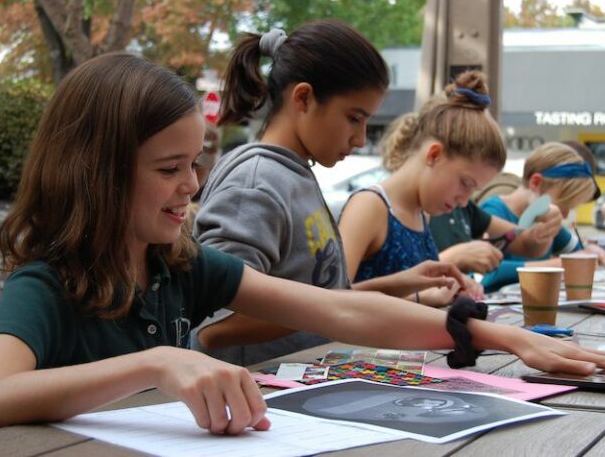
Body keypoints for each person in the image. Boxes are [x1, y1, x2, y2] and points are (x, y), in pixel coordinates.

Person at [0, 53, 605, 436]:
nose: (193, 186)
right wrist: (154, 363)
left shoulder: (177, 263)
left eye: (194, 164)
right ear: (100, 170)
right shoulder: (46, 284)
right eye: (169, 169)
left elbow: (339, 309)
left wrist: (497, 338)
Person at [193, 20, 473, 364]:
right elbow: (215, 327)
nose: (360, 138)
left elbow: (322, 299)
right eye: (354, 118)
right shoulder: (255, 184)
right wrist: (342, 309)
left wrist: (399, 283)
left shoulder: (293, 173)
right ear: (304, 97)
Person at [338, 71, 559, 305]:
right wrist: (419, 297)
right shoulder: (370, 207)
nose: (464, 201)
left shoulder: (423, 212)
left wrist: (451, 284)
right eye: (465, 183)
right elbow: (332, 299)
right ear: (434, 155)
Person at [480, 142, 605, 292]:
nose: (565, 215)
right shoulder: (493, 212)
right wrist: (558, 265)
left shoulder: (546, 221)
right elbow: (488, 272)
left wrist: (590, 250)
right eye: (563, 205)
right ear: (536, 183)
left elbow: (577, 251)